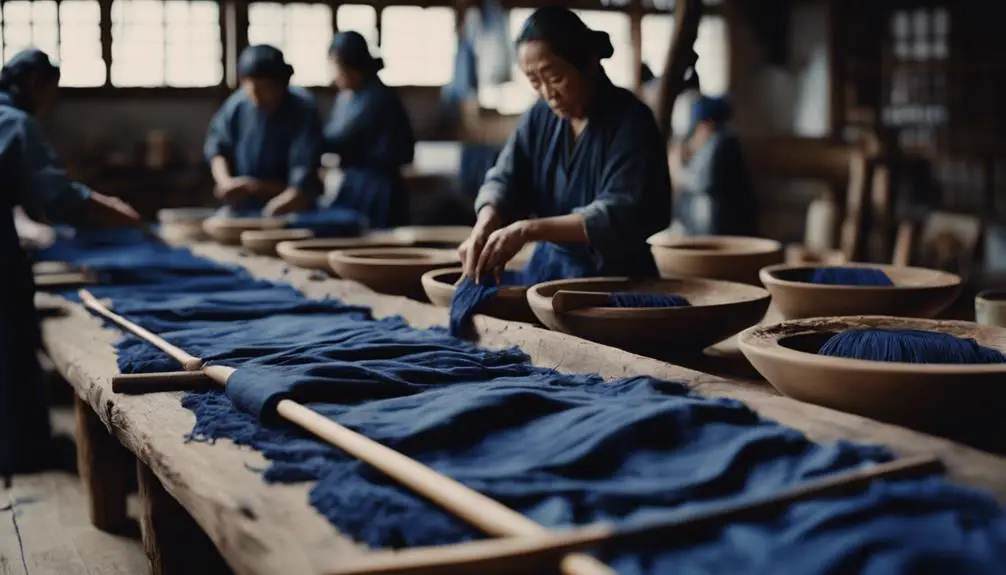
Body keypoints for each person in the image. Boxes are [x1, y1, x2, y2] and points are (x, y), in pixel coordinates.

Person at [0, 49, 143, 480]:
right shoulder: (16, 123)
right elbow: (57, 195)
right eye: (51, 90)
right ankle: (22, 451)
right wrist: (111, 207)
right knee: (11, 338)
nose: (52, 101)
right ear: (38, 85)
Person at [458, 6, 671, 282]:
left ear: (589, 63)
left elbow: (619, 211)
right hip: (551, 273)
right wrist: (485, 223)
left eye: (555, 78)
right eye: (535, 82)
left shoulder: (632, 121)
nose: (548, 94)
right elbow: (506, 178)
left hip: (619, 279)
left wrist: (529, 230)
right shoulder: (539, 117)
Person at [205, 45, 323, 217]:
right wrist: (226, 183)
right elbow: (217, 146)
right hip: (244, 205)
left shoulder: (302, 109)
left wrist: (279, 204)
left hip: (291, 204)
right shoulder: (237, 105)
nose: (258, 98)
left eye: (266, 89)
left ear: (282, 84)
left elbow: (303, 174)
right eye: (252, 91)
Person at [323, 31, 415, 228]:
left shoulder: (375, 97)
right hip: (354, 181)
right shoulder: (348, 96)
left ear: (352, 67)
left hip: (377, 186)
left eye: (337, 67)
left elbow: (339, 138)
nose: (335, 75)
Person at [669, 95, 756, 236]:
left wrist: (677, 170)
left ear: (708, 124)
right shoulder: (716, 142)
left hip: (723, 225)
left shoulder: (721, 141)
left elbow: (702, 182)